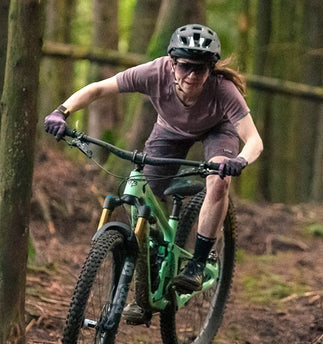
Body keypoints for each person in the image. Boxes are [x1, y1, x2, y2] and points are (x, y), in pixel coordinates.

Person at [43, 24, 262, 324]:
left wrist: (239, 160)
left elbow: (254, 140)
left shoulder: (223, 90)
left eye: (201, 69)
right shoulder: (154, 73)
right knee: (141, 192)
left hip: (217, 130)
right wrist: (62, 111)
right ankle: (148, 281)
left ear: (211, 69)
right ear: (172, 63)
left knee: (218, 181)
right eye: (185, 66)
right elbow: (99, 88)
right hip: (170, 131)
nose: (192, 75)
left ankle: (198, 263)